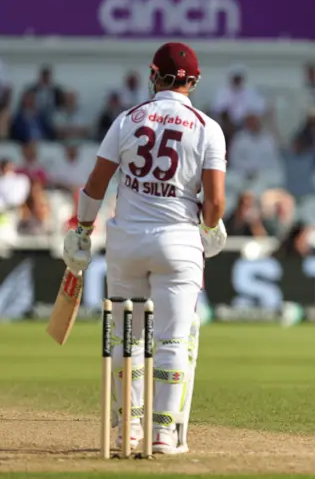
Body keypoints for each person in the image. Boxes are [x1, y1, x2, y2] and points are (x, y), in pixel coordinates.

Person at [61, 42, 228, 454]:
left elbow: (95, 185)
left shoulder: (127, 120)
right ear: (195, 81)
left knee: (126, 339)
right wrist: (210, 225)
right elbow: (217, 201)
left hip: (128, 241)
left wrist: (82, 231)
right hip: (179, 241)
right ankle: (163, 433)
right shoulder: (207, 126)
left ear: (154, 75)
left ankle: (128, 431)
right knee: (172, 340)